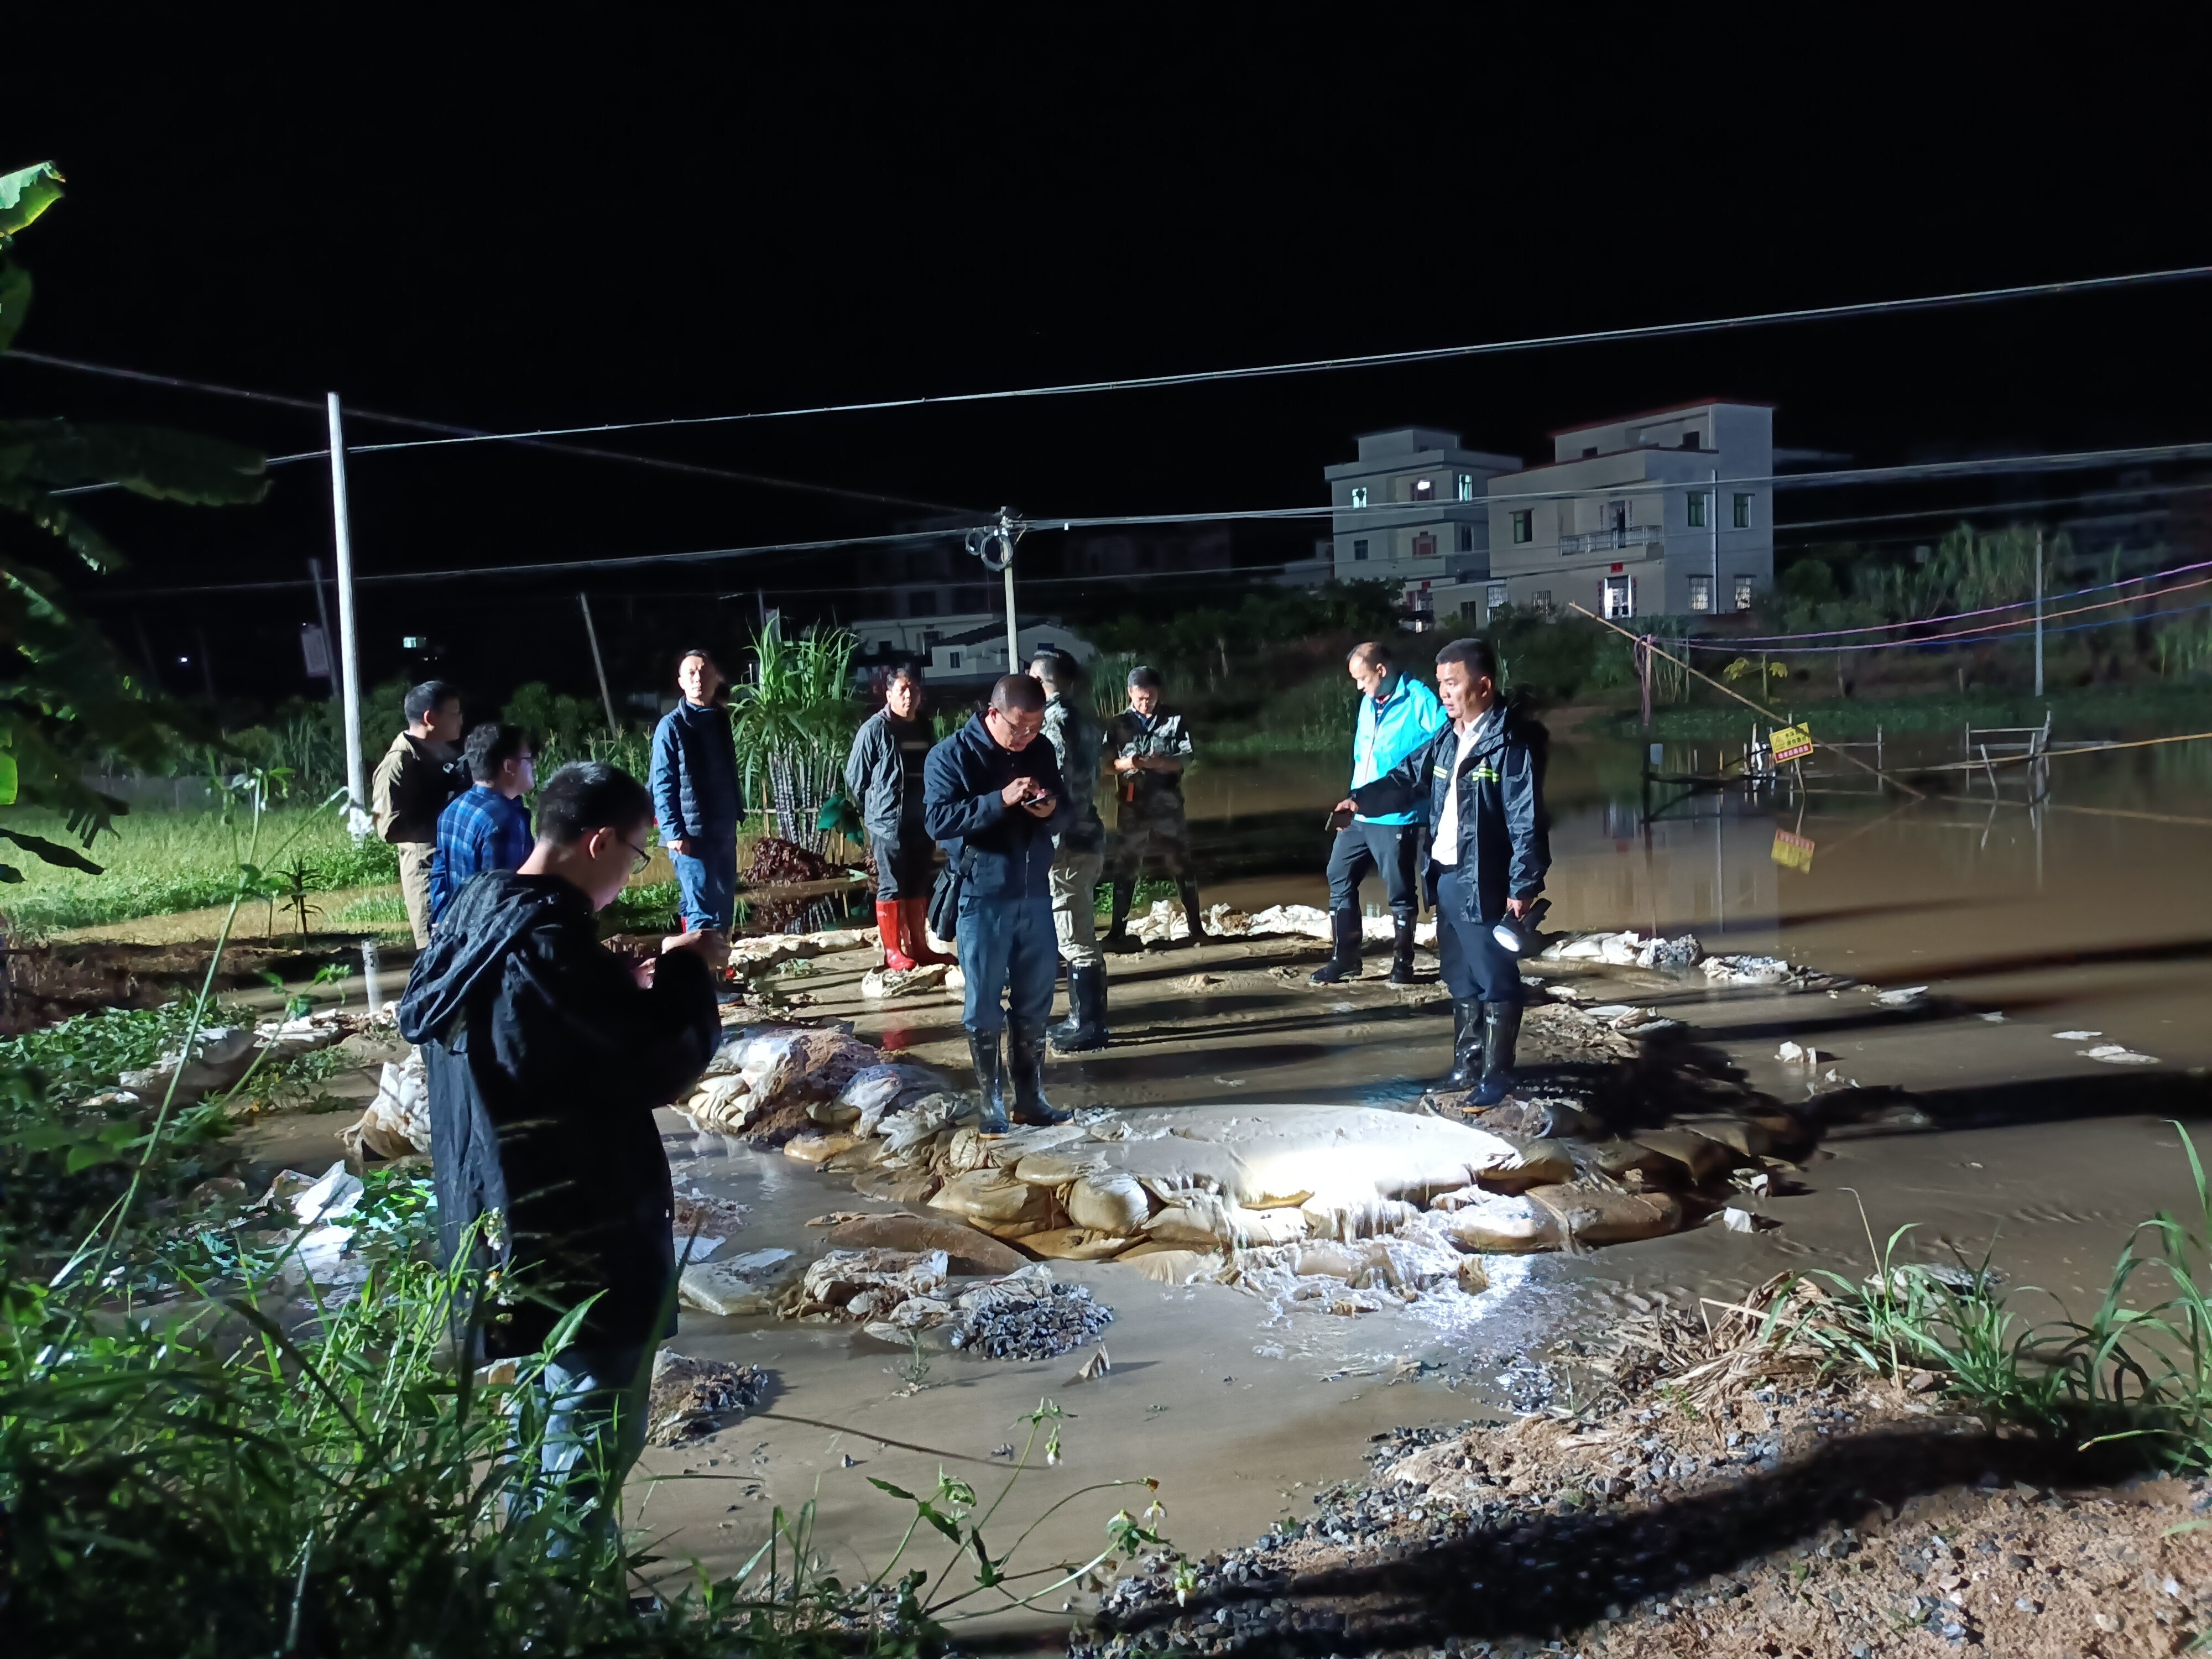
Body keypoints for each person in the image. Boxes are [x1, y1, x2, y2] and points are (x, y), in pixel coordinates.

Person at [395, 761, 723, 1538]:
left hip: (500, 1212)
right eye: (636, 854)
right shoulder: (548, 946)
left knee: (545, 1412)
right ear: (599, 842)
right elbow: (656, 1061)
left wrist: (612, 981)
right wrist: (687, 969)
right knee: (591, 1429)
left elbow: (545, 1040)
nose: (632, 873)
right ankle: (566, 1592)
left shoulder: (479, 914)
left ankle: (539, 1582)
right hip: (577, 1222)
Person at [1341, 637, 1548, 1106]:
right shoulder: (1447, 738)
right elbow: (1407, 778)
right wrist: (1360, 800)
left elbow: (1527, 819)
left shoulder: (1509, 746)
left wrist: (1524, 884)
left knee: (1495, 977)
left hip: (1484, 879)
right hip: (1445, 875)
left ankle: (1497, 1075)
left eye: (1453, 683)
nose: (1444, 694)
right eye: (1440, 684)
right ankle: (1466, 1066)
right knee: (1459, 975)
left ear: (1484, 686)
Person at [924, 675, 1073, 1133]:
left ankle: (1031, 1097)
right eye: (1018, 727)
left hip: (1035, 892)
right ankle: (990, 1102)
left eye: (1035, 727)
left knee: (1036, 1000)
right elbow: (938, 821)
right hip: (982, 895)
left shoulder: (1041, 750)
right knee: (984, 1005)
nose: (1027, 736)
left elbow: (1066, 808)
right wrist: (999, 800)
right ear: (993, 714)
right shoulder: (950, 755)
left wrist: (1051, 809)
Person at [1312, 641, 1448, 987]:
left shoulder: (1419, 699)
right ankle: (1345, 960)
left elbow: (1444, 746)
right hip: (1360, 809)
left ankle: (1403, 965)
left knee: (1399, 890)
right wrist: (1352, 799)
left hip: (1396, 815)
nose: (1359, 686)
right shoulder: (1368, 702)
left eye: (1362, 678)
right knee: (1338, 874)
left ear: (1381, 670)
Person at [843, 662, 951, 972]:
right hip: (888, 822)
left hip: (922, 819)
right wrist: (878, 807)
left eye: (914, 690)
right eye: (903, 690)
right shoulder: (875, 729)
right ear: (888, 694)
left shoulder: (924, 725)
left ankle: (919, 946)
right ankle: (893, 951)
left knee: (918, 883)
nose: (909, 696)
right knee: (891, 885)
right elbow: (856, 778)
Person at [1029, 648, 1109, 1051]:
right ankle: (1083, 1018)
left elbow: (1055, 788)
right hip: (1088, 832)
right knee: (1078, 926)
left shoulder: (1052, 724)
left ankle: (1089, 1025)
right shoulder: (1086, 721)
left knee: (1074, 932)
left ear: (1041, 682)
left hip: (1067, 840)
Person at [1100, 665, 1204, 951]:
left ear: (1159, 693)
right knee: (1127, 865)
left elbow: (1187, 758)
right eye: (1141, 698)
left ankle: (1196, 928)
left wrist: (1161, 763)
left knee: (1181, 862)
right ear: (1130, 693)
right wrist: (1129, 763)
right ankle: (1116, 932)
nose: (1146, 703)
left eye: (1151, 697)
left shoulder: (1175, 719)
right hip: (1132, 805)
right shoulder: (1118, 724)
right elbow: (1106, 765)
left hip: (1168, 803)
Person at [650, 648, 742, 933]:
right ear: (681, 682)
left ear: (716, 678)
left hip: (723, 830)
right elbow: (662, 784)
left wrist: (736, 812)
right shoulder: (671, 727)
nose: (698, 678)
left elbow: (728, 770)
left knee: (724, 908)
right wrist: (673, 832)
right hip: (691, 836)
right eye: (691, 673)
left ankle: (720, 958)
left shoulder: (720, 720)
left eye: (703, 672)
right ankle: (698, 959)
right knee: (701, 910)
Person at [372, 679, 466, 948]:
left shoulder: (442, 754)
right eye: (454, 713)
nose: (461, 719)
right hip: (426, 870)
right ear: (429, 718)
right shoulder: (398, 764)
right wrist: (441, 820)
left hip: (453, 865)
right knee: (434, 952)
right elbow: (387, 828)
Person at [427, 723, 536, 927]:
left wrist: (440, 925)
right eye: (529, 759)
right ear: (509, 766)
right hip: (489, 936)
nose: (533, 766)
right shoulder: (506, 821)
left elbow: (439, 874)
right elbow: (505, 899)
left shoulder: (452, 810)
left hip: (457, 932)